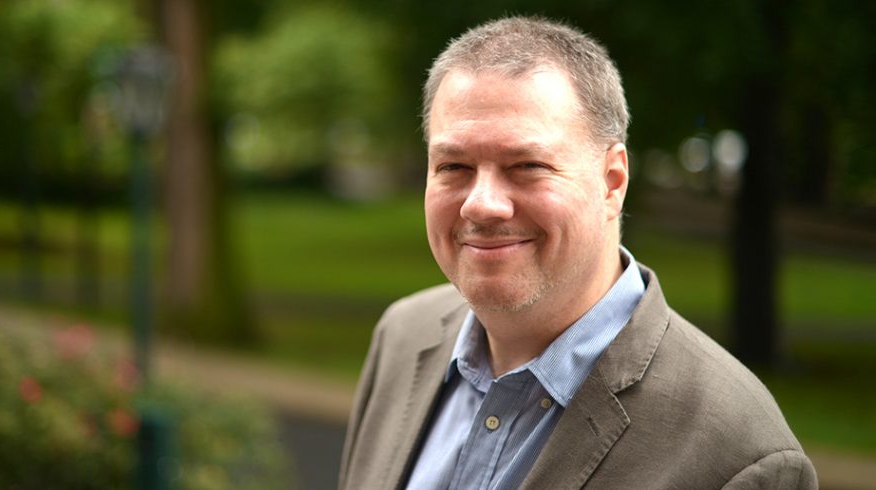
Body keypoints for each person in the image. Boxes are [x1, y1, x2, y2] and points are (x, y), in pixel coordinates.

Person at [338, 15, 817, 490]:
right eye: (454, 165)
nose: (481, 203)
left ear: (613, 182)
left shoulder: (741, 458)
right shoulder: (403, 337)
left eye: (527, 165)